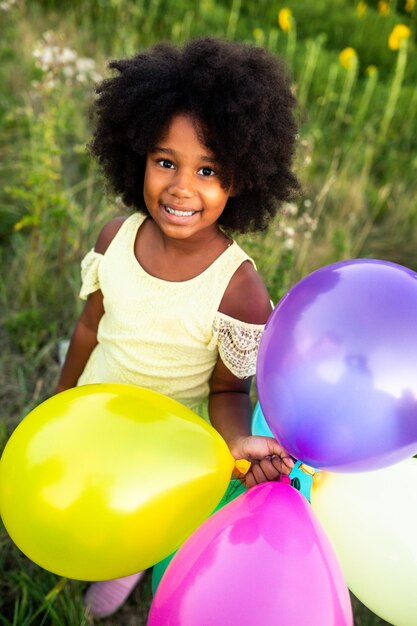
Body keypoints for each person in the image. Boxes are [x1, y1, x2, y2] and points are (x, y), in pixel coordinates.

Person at [56, 36, 300, 617]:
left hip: (163, 444)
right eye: (166, 161)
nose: (181, 187)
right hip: (96, 408)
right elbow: (90, 328)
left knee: (138, 509)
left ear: (239, 180)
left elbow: (227, 388)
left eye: (208, 170)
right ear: (137, 153)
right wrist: (60, 399)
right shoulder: (115, 239)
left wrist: (236, 439)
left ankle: (130, 560)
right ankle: (78, 540)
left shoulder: (238, 288)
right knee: (90, 487)